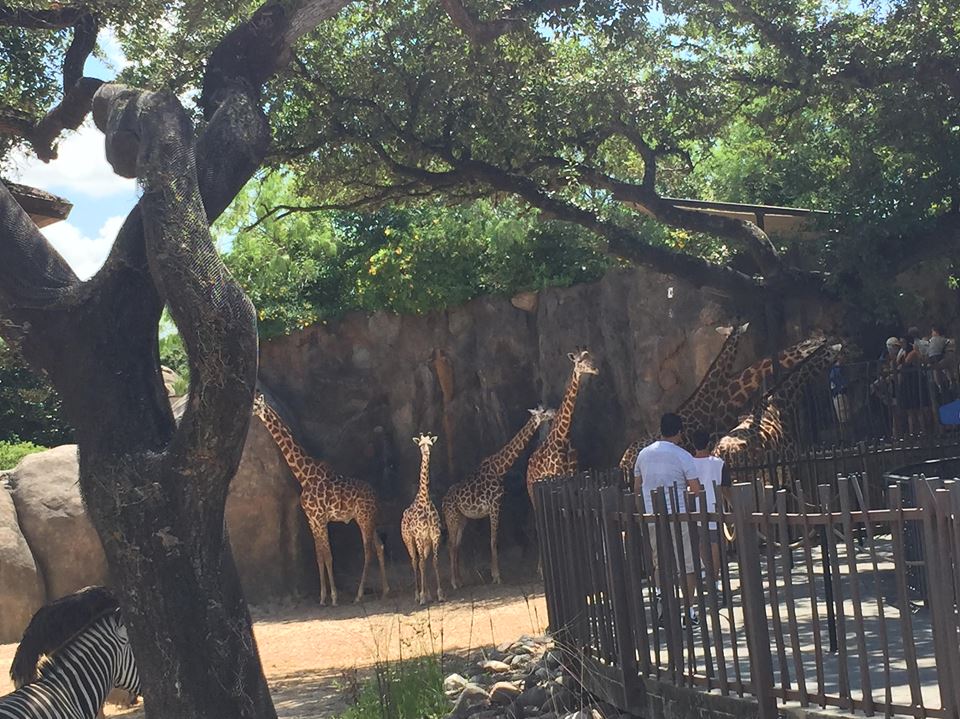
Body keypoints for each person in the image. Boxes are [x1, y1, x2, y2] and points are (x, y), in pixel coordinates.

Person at [634, 412, 699, 619]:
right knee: (687, 562)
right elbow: (696, 489)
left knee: (660, 562)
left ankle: (664, 603)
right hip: (678, 514)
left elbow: (637, 487)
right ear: (680, 432)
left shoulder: (643, 454)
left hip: (653, 514)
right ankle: (688, 610)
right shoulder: (683, 455)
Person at [690, 429, 728, 588]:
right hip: (714, 506)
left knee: (701, 543)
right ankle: (715, 577)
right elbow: (726, 488)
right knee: (714, 543)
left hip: (695, 507)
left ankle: (707, 572)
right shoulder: (719, 463)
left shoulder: (689, 463)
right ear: (709, 443)